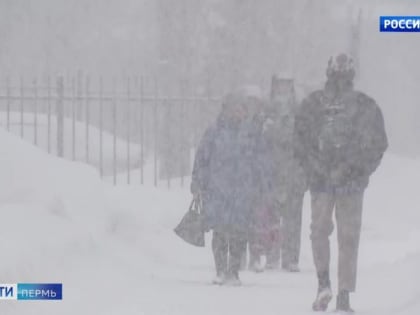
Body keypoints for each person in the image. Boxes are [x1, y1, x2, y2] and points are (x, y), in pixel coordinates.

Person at [295, 54, 388, 312]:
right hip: (345, 182)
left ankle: (324, 284)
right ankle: (342, 294)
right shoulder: (365, 106)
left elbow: (299, 141)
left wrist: (315, 167)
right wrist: (358, 170)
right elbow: (378, 144)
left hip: (328, 180)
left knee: (320, 232)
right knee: (347, 238)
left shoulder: (313, 104)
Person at [190, 88, 261, 286]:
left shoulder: (250, 134)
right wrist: (197, 181)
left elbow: (260, 160)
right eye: (233, 108)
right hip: (218, 190)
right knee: (220, 231)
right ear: (225, 110)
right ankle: (220, 269)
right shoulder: (213, 132)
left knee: (239, 232)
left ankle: (234, 270)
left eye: (241, 108)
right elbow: (202, 158)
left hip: (243, 191)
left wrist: (260, 184)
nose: (237, 112)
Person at [268, 76, 307, 272]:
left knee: (293, 218)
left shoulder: (300, 119)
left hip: (294, 174)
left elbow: (305, 148)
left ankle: (291, 257)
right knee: (273, 217)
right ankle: (273, 254)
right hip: (274, 173)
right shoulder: (267, 116)